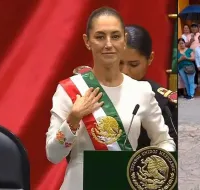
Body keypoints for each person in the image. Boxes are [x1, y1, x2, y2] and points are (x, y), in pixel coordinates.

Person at [45, 7, 175, 190]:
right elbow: (53, 155)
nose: (108, 44)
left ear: (124, 40)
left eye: (115, 36)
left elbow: (164, 141)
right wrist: (73, 118)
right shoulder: (69, 90)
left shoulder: (141, 91)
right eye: (100, 37)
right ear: (87, 41)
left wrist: (151, 172)